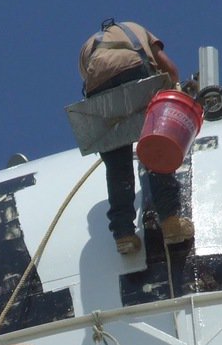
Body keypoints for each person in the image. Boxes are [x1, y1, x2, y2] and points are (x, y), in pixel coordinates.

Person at [79, 19, 195, 255]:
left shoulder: (88, 47)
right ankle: (171, 221)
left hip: (97, 90)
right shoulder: (135, 28)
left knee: (117, 165)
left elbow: (93, 78)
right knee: (157, 148)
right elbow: (168, 67)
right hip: (134, 72)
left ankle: (123, 234)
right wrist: (176, 91)